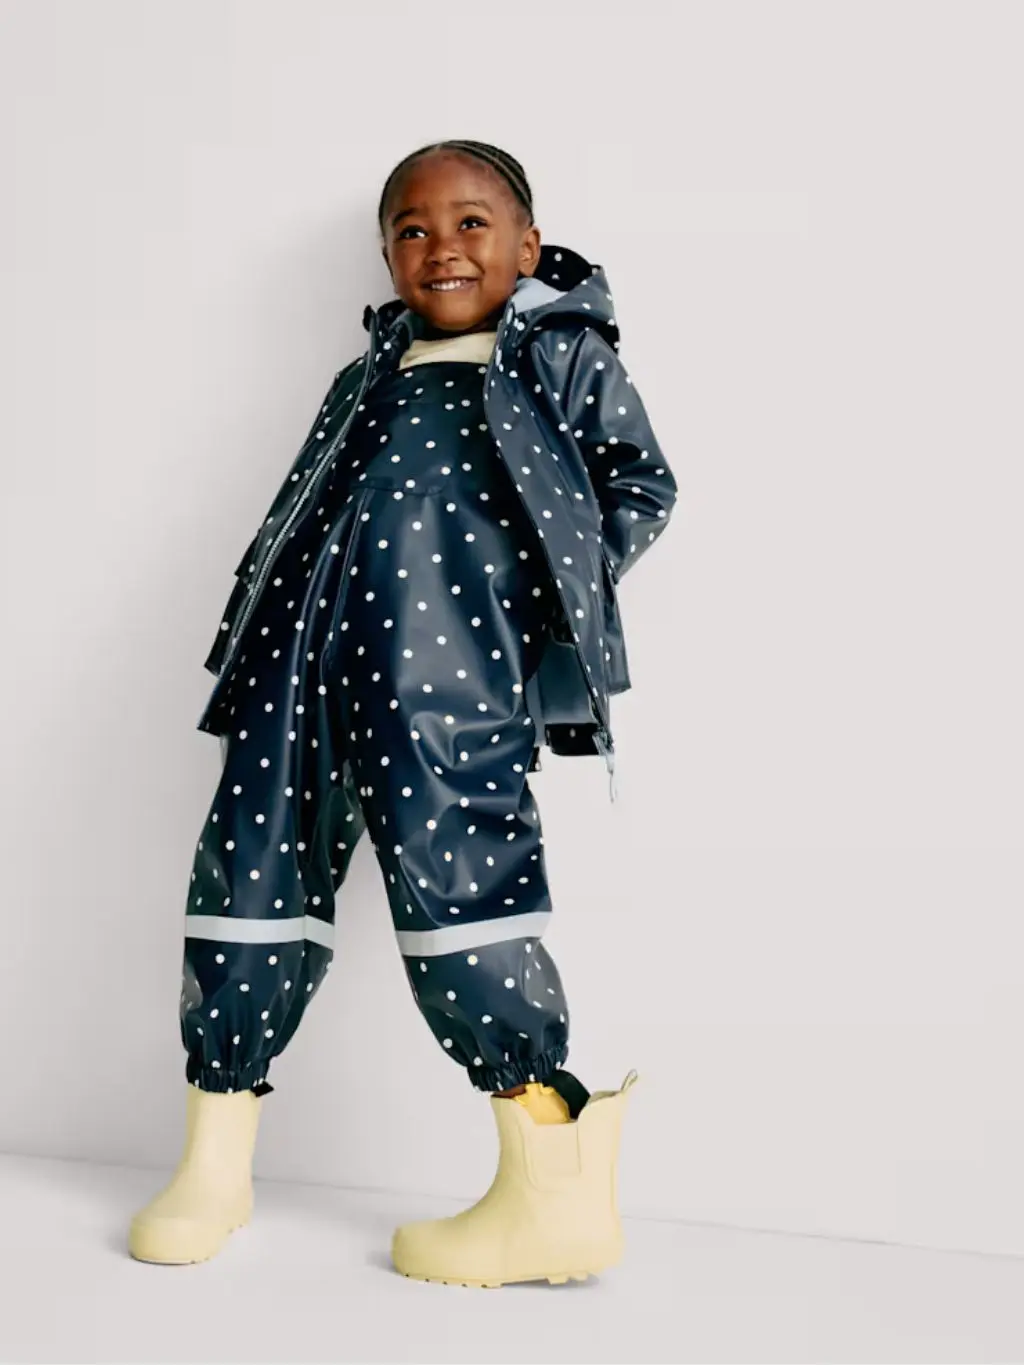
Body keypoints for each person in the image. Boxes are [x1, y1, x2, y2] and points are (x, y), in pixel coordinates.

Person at [129, 140, 678, 1286]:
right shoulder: (365, 374)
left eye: (472, 224)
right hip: (294, 665)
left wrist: (531, 604)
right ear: (386, 257)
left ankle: (548, 1184)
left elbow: (639, 486)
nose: (441, 248)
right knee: (246, 870)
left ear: (528, 246)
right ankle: (215, 1158)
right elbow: (302, 503)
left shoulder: (561, 358)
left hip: (450, 677)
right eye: (412, 230)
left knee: (463, 884)